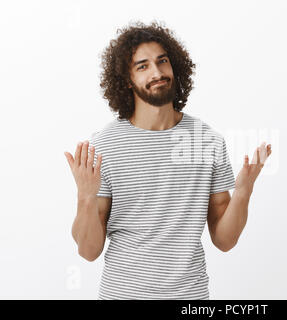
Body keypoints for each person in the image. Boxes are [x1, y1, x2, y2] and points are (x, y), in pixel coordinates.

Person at [63, 20, 272, 300]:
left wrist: (244, 192)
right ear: (126, 80)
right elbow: (88, 251)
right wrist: (86, 197)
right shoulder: (105, 146)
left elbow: (224, 240)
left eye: (163, 61)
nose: (157, 72)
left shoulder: (207, 141)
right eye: (143, 66)